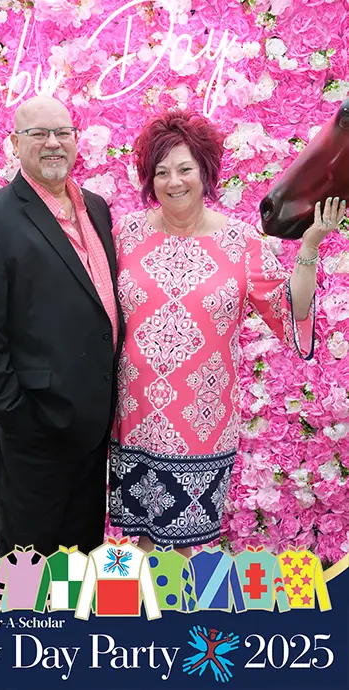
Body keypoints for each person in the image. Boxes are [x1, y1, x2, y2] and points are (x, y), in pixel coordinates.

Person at [109, 109, 346, 555]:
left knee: (181, 548)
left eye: (184, 169)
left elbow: (289, 311)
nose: (174, 182)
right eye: (161, 172)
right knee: (139, 544)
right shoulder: (124, 234)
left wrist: (311, 244)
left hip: (201, 420)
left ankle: (172, 604)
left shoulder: (241, 242)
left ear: (205, 172)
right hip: (135, 417)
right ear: (149, 179)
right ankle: (135, 605)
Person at [0, 96, 124, 557]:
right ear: (14, 143)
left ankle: (69, 612)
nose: (53, 143)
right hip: (32, 432)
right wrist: (16, 418)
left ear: (76, 140)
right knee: (26, 564)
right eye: (38, 134)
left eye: (62, 132)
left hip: (91, 430)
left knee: (78, 560)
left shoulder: (96, 208)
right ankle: (22, 612)